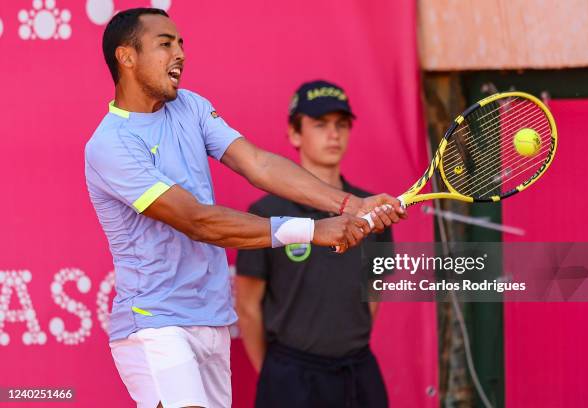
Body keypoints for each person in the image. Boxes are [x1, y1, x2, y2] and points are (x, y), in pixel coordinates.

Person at [84, 8, 404, 408]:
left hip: (212, 320)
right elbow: (196, 221)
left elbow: (258, 163)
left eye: (181, 43)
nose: (180, 53)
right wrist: (313, 229)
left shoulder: (192, 107)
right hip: (155, 325)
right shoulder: (110, 145)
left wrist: (351, 205)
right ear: (126, 57)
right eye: (165, 44)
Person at [235, 80, 391, 408]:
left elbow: (373, 292)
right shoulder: (266, 213)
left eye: (341, 125)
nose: (333, 134)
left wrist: (345, 344)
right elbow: (247, 306)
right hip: (290, 375)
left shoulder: (372, 210)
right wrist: (276, 372)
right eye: (320, 125)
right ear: (294, 134)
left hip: (357, 370)